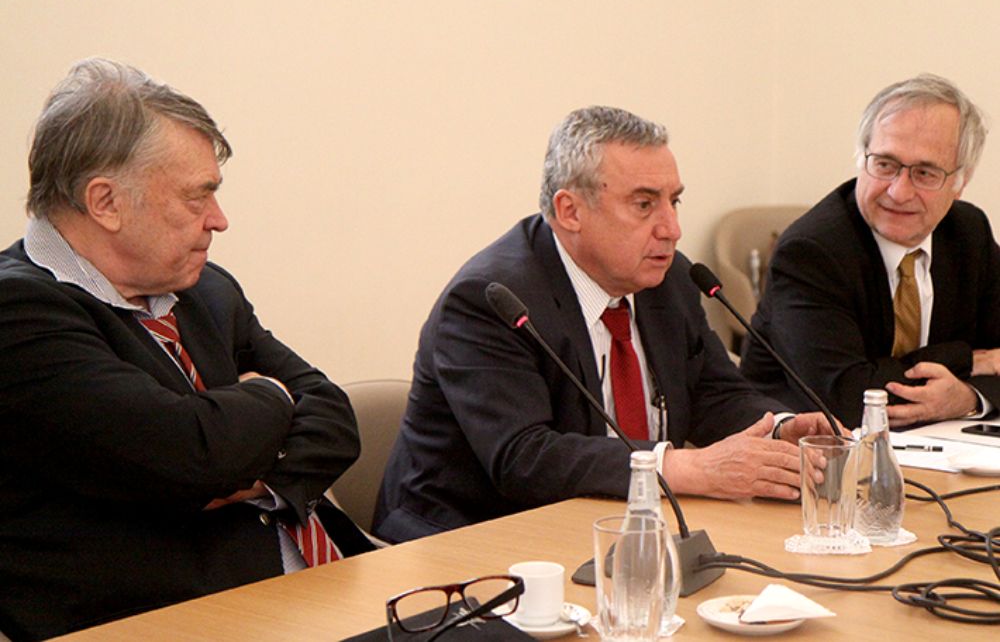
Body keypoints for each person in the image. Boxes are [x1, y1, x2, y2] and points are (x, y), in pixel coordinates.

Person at [0, 58, 372, 641]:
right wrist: (272, 397)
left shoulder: (204, 289)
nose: (218, 221)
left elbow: (332, 417)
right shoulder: (17, 313)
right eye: (197, 199)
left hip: (328, 586)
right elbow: (187, 455)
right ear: (106, 202)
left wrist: (242, 472)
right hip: (181, 621)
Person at [373, 105, 835, 544]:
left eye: (674, 201)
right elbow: (525, 458)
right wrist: (686, 469)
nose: (671, 228)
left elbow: (714, 392)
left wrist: (779, 431)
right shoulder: (489, 300)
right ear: (570, 211)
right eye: (644, 204)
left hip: (619, 530)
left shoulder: (666, 278)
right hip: (469, 545)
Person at [741, 74, 1000, 428]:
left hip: (942, 450)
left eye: (924, 173)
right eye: (885, 164)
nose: (898, 191)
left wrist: (968, 398)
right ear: (861, 158)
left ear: (959, 183)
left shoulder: (968, 233)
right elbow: (849, 397)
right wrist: (969, 361)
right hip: (815, 457)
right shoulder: (811, 253)